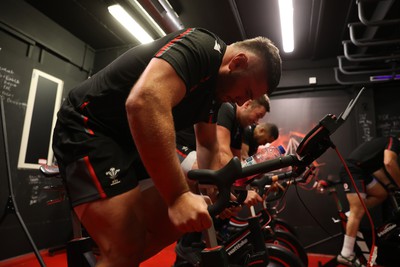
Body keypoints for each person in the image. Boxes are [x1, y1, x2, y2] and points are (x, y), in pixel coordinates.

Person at [52, 27, 282, 267]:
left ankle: (115, 258)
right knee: (127, 246)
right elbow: (143, 101)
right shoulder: (201, 46)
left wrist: (217, 191)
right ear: (237, 62)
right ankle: (118, 254)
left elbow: (207, 144)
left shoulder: (215, 93)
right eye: (246, 93)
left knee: (180, 223)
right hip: (90, 126)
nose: (242, 102)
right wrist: (177, 197)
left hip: (128, 141)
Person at [174, 96, 272, 266]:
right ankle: (188, 243)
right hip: (179, 147)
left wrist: (237, 191)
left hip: (197, 155)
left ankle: (200, 240)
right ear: (247, 104)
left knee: (228, 198)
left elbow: (235, 161)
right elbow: (222, 153)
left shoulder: (240, 127)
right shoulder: (227, 109)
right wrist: (235, 191)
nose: (257, 121)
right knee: (208, 176)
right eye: (257, 115)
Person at [336, 136, 400, 267]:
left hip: (363, 171)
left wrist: (390, 185)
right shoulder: (394, 141)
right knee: (357, 210)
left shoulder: (380, 148)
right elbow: (389, 163)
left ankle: (352, 215)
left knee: (381, 194)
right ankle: (346, 254)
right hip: (352, 170)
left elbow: (378, 171)